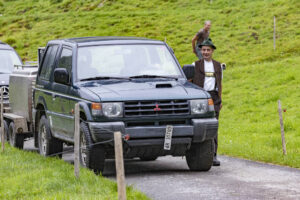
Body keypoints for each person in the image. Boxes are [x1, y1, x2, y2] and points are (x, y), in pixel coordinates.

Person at [192, 38, 222, 166]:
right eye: (203, 50)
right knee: (200, 125)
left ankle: (213, 155)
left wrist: (220, 100)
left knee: (214, 126)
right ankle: (197, 153)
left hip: (214, 97)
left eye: (208, 50)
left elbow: (220, 84)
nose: (205, 52)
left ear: (212, 51)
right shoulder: (195, 65)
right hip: (200, 98)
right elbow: (189, 82)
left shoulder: (218, 66)